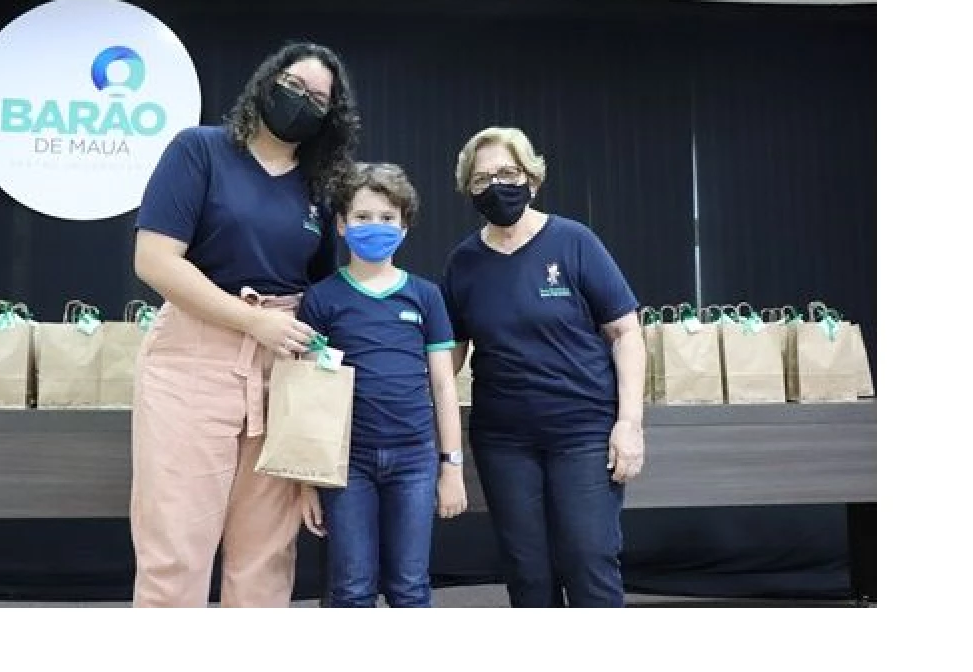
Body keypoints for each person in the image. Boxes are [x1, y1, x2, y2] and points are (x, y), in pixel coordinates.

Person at [129, 41, 359, 607]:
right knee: (175, 548)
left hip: (281, 365)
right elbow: (155, 261)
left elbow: (322, 289)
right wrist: (252, 321)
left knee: (266, 556)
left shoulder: (319, 189)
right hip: (192, 358)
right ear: (266, 82)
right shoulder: (200, 150)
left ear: (331, 117)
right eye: (294, 85)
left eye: (318, 98)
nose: (302, 100)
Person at [440, 126, 645, 608]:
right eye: (482, 178)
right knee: (527, 572)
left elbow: (626, 333)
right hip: (504, 441)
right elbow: (449, 355)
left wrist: (630, 424)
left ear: (531, 178)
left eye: (507, 173)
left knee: (588, 559)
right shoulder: (464, 263)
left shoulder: (574, 242)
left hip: (582, 432)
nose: (496, 185)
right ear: (469, 190)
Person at [297, 162, 468, 607]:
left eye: (387, 217)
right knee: (351, 588)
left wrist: (451, 466)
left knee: (410, 586)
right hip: (347, 464)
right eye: (363, 216)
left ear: (404, 226)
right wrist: (306, 482)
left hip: (414, 460)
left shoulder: (426, 296)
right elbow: (309, 395)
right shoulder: (322, 299)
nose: (375, 226)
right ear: (341, 224)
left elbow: (444, 386)